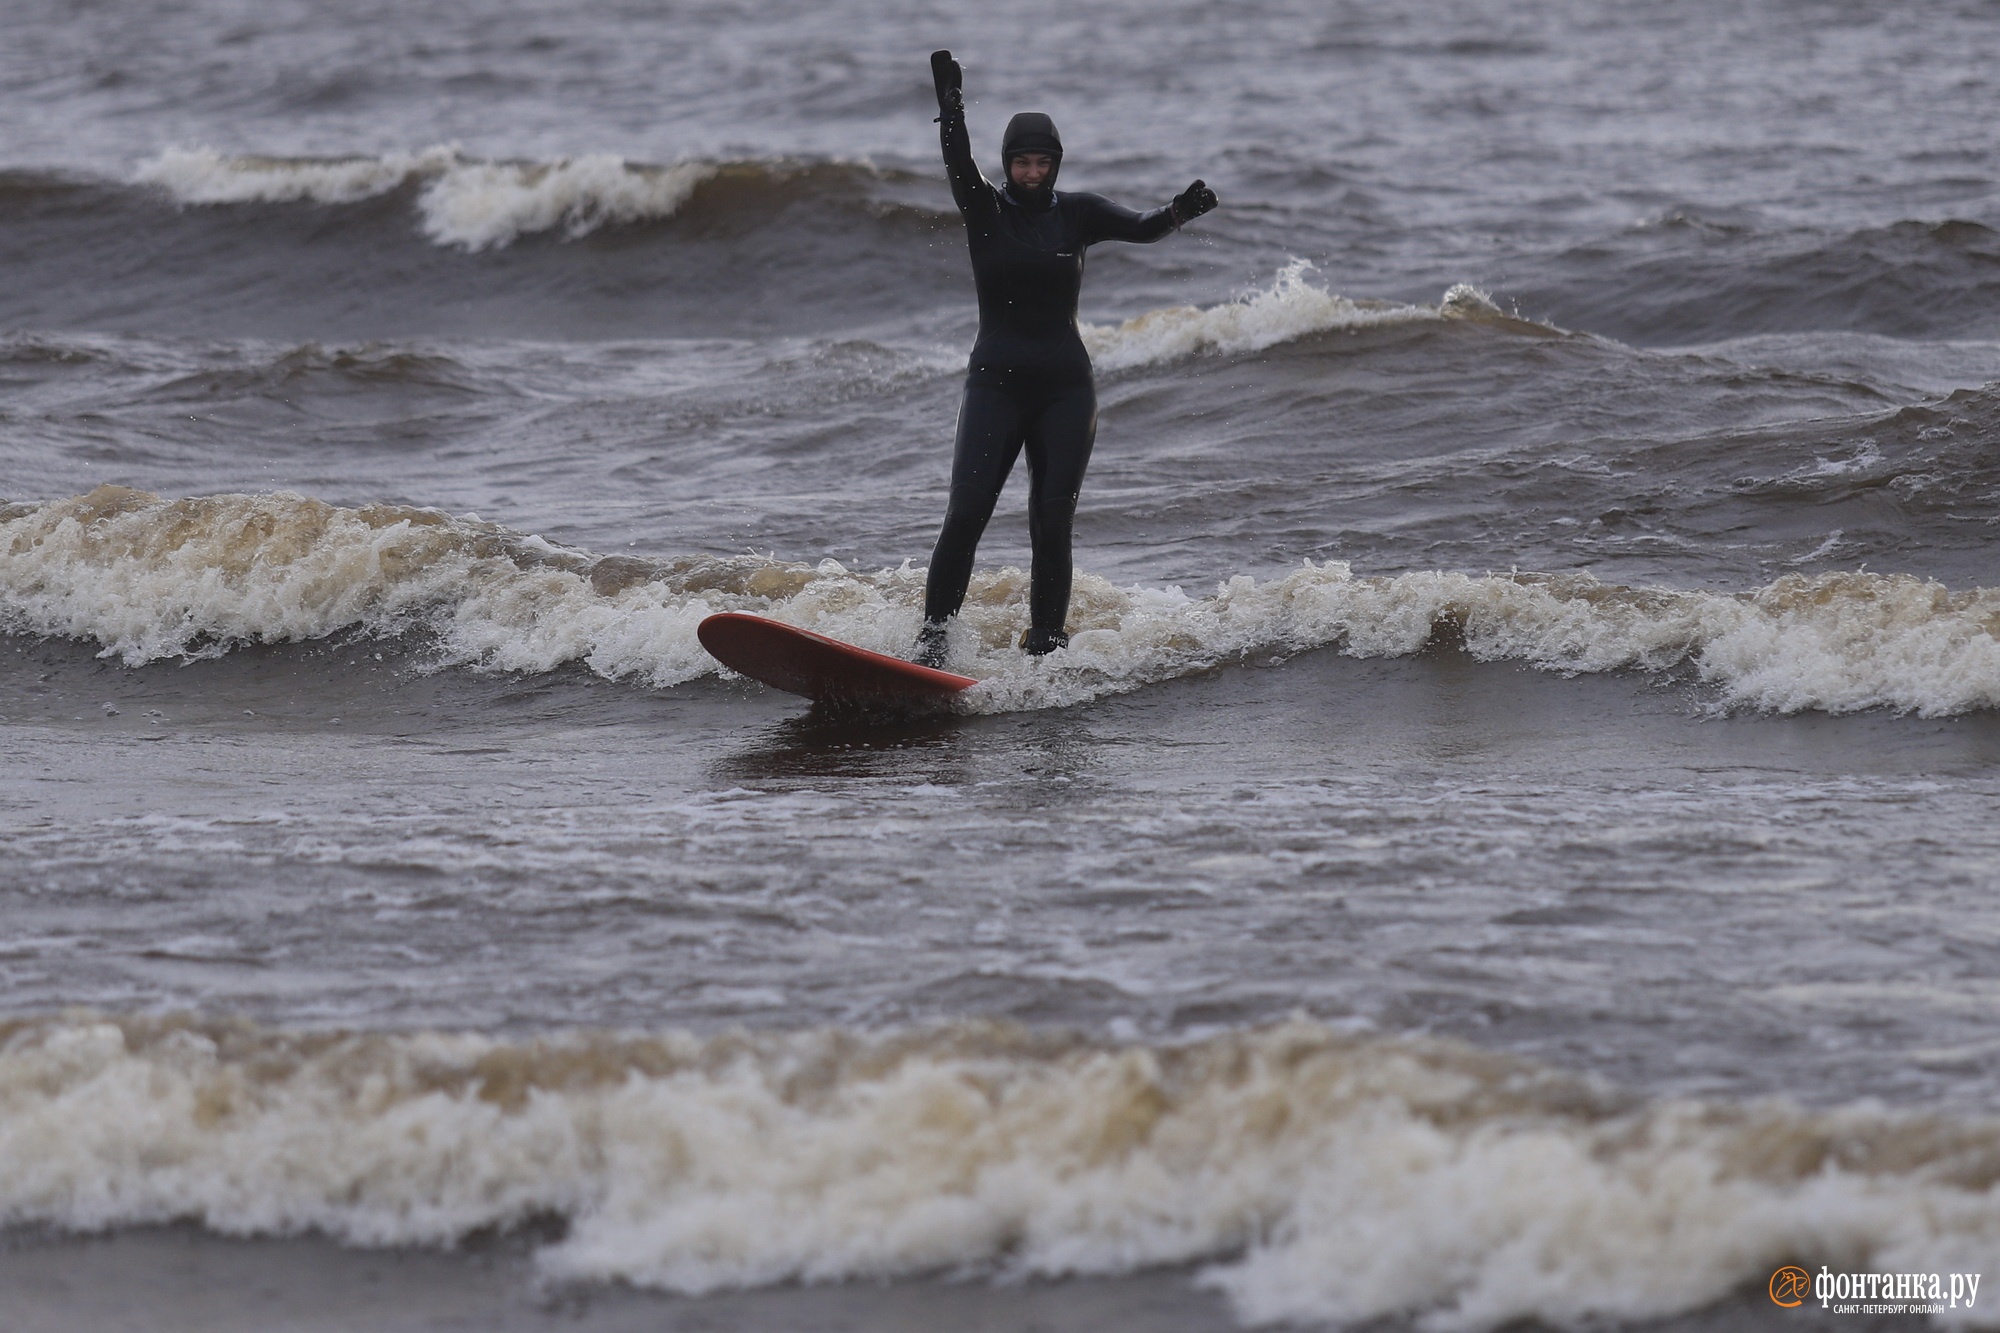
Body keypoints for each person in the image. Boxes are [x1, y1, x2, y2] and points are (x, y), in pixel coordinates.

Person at [915, 49, 1217, 665]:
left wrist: (1179, 212)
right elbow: (956, 162)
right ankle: (933, 642)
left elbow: (1142, 227)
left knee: (1051, 522)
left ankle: (1047, 647)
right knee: (967, 512)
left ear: (1056, 164)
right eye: (1022, 162)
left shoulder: (1078, 213)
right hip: (994, 382)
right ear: (1007, 165)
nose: (1032, 172)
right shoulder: (984, 207)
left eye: (1042, 162)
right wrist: (951, 110)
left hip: (1065, 389)